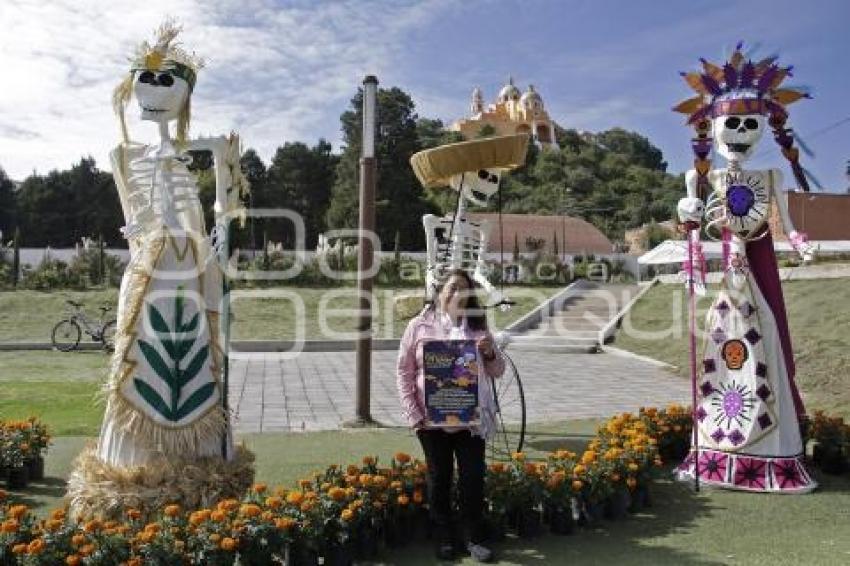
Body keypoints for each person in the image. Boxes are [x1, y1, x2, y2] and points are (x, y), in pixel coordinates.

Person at [397, 269, 505, 562]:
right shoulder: (418, 326)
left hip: (471, 420)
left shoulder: (479, 328)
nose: (459, 293)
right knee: (439, 477)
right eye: (453, 287)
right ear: (440, 291)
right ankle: (444, 536)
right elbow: (404, 372)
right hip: (431, 421)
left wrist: (490, 353)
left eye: (465, 289)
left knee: (473, 477)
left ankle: (473, 536)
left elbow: (497, 372)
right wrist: (413, 414)